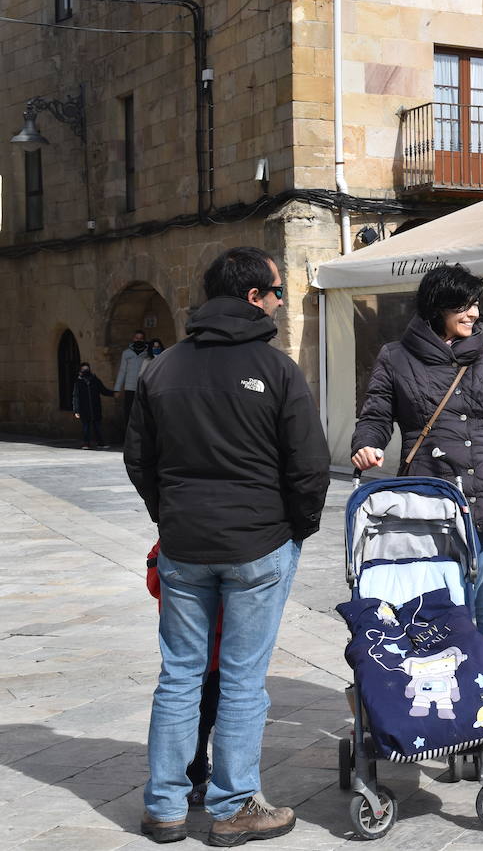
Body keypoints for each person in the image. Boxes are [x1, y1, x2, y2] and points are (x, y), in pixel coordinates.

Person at [126, 246, 330, 845]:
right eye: (276, 291)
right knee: (241, 679)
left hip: (185, 545)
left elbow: (139, 459)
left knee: (179, 676)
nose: (279, 300)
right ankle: (233, 805)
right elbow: (309, 466)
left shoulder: (161, 368)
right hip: (257, 545)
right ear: (252, 298)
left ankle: (164, 806)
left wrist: (170, 516)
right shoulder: (276, 368)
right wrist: (295, 529)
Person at [351, 264, 483, 643]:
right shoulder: (395, 356)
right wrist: (367, 443)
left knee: (474, 602)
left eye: (476, 305)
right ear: (438, 308)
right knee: (428, 600)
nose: (475, 314)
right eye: (464, 306)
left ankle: (478, 689)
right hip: (425, 502)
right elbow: (377, 413)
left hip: (480, 500)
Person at [145, 541, 220, 809]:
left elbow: (155, 585)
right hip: (224, 652)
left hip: (187, 646)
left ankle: (173, 793)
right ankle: (222, 785)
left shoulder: (171, 537)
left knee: (183, 701)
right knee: (216, 711)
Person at [114, 329, 152, 437]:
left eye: (141, 338)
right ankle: (129, 435)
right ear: (133, 339)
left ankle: (143, 435)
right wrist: (117, 388)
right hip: (129, 388)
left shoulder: (147, 353)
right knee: (129, 412)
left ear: (144, 339)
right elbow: (122, 371)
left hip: (143, 387)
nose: (138, 340)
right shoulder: (126, 353)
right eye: (137, 338)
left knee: (143, 412)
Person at [71, 362, 114, 449]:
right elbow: (76, 397)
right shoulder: (78, 382)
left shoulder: (95, 380)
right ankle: (86, 443)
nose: (86, 371)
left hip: (95, 408)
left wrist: (113, 393)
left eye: (87, 369)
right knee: (86, 428)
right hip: (84, 409)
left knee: (97, 427)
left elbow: (103, 390)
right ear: (80, 370)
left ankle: (100, 443)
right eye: (84, 369)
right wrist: (76, 410)